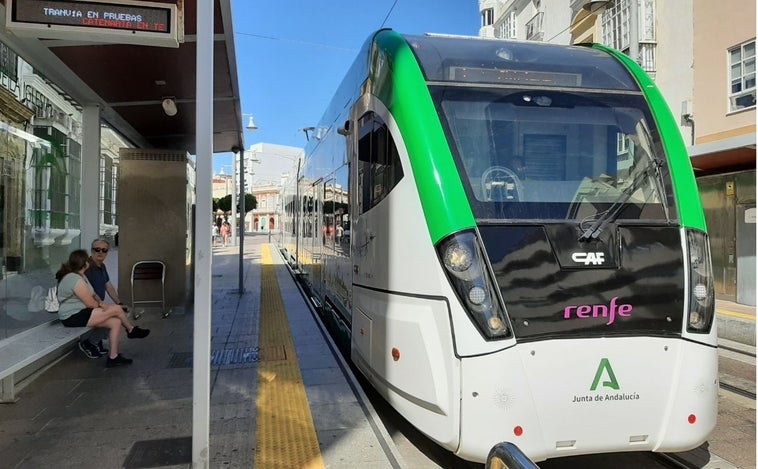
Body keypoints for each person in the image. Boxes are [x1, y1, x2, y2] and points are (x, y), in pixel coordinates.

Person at [55, 249, 150, 367]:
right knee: (116, 309)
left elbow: (94, 295)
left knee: (115, 322)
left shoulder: (81, 276)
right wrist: (106, 307)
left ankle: (113, 357)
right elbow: (90, 303)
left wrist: (102, 303)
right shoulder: (73, 278)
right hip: (72, 316)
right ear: (85, 263)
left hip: (82, 312)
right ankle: (131, 329)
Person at [78, 238, 121, 358]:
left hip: (96, 306)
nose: (100, 252)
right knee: (113, 317)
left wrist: (119, 302)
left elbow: (109, 286)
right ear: (91, 251)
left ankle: (95, 341)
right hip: (84, 307)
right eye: (97, 249)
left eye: (104, 250)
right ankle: (88, 343)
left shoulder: (102, 266)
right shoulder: (86, 267)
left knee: (118, 312)